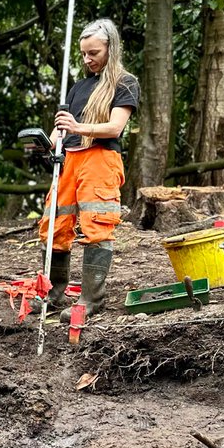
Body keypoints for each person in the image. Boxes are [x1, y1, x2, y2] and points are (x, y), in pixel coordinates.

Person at [33, 18, 139, 320]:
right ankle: (52, 296)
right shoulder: (78, 87)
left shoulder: (125, 83)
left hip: (100, 159)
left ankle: (91, 300)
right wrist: (47, 146)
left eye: (93, 52)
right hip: (69, 159)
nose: (87, 59)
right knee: (54, 225)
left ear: (110, 48)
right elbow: (61, 127)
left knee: (97, 224)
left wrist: (79, 126)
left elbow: (115, 126)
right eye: (83, 54)